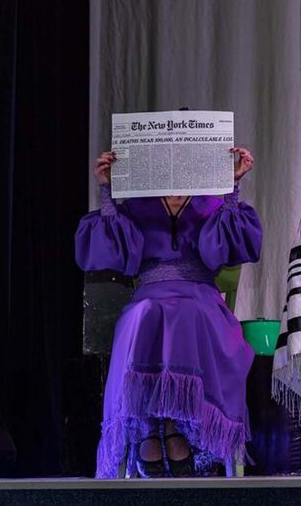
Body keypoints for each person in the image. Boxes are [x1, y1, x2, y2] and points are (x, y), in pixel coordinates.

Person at [76, 147, 262, 478]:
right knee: (143, 315)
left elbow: (231, 248)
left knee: (187, 315)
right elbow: (112, 251)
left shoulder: (209, 202)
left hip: (200, 295)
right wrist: (106, 189)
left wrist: (232, 186)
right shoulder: (139, 203)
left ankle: (174, 425)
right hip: (149, 294)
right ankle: (150, 426)